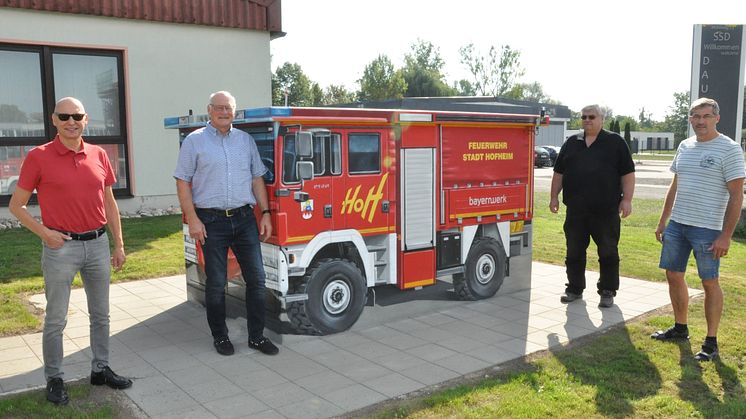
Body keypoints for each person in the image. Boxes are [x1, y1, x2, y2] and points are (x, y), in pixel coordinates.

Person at [9, 97, 132, 406]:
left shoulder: (99, 154)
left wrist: (118, 243)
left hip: (98, 244)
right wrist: (44, 233)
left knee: (101, 315)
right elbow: (16, 205)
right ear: (54, 120)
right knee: (56, 318)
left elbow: (110, 202)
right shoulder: (39, 157)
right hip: (60, 249)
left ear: (85, 119)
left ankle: (100, 369)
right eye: (64, 116)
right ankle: (54, 377)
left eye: (76, 115)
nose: (71, 121)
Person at [174, 91, 278, 356]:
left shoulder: (245, 141)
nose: (223, 112)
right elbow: (182, 182)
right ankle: (220, 337)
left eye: (228, 108)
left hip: (244, 219)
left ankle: (256, 337)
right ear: (209, 110)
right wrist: (193, 219)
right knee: (217, 282)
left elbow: (257, 178)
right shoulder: (194, 142)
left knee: (257, 279)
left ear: (235, 111)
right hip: (210, 221)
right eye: (218, 107)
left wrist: (265, 212)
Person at [651, 97, 745, 362]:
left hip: (708, 229)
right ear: (690, 119)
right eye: (695, 116)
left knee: (709, 282)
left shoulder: (729, 149)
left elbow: (737, 196)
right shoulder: (685, 146)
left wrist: (725, 235)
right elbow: (675, 186)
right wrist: (663, 221)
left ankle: (711, 342)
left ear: (717, 118)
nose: (700, 121)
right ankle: (681, 328)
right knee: (673, 274)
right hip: (678, 225)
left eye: (706, 116)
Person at [550, 104, 636, 308]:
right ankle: (574, 288)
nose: (587, 120)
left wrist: (627, 200)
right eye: (583, 117)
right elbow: (559, 173)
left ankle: (607, 291)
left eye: (591, 116)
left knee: (607, 251)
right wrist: (554, 196)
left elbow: (628, 174)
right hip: (576, 211)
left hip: (605, 211)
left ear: (602, 119)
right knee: (574, 251)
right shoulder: (572, 142)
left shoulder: (615, 142)